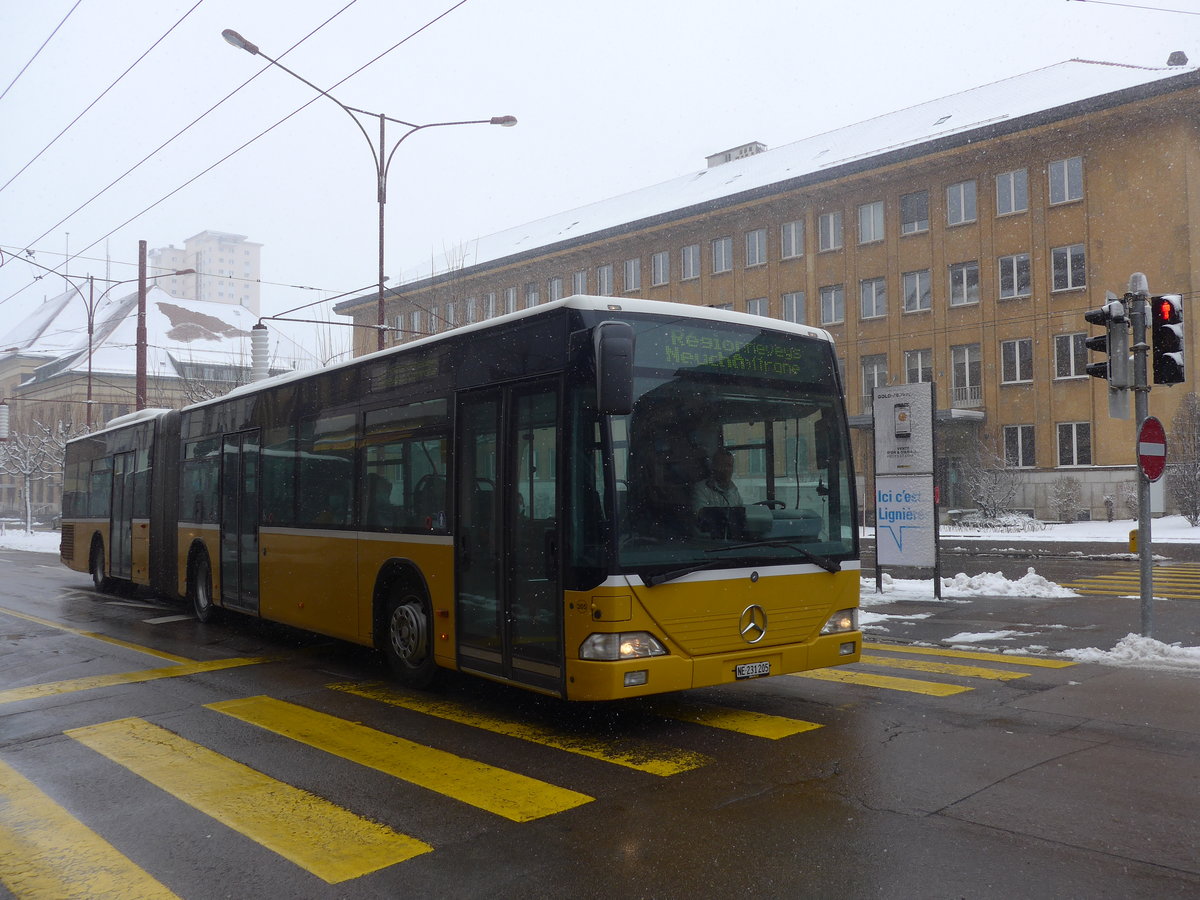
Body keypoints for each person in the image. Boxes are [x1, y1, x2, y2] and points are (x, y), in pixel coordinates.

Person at [692, 447, 743, 513]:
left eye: (729, 465)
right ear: (714, 466)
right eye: (723, 465)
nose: (726, 469)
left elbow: (740, 514)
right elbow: (700, 515)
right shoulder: (701, 489)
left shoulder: (733, 490)